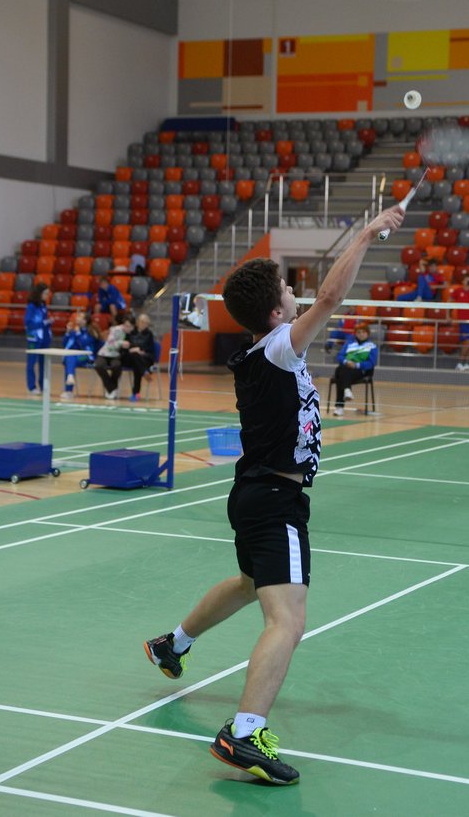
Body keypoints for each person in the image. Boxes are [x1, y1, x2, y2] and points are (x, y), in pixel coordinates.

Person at [143, 204, 404, 786]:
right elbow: (332, 297)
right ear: (276, 313)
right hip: (274, 500)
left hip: (254, 495)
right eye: (288, 289)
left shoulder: (264, 352)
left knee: (247, 583)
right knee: (287, 620)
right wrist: (367, 233)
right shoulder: (280, 347)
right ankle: (244, 732)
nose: (295, 294)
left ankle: (172, 645)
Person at [330, 321, 377, 416]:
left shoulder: (372, 346)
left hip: (361, 371)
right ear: (355, 334)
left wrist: (356, 365)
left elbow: (371, 363)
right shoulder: (349, 343)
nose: (361, 334)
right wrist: (346, 362)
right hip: (346, 367)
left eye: (363, 332)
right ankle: (347, 390)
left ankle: (339, 407)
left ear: (367, 333)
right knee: (341, 370)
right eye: (359, 332)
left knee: (340, 372)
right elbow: (340, 356)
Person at [93, 313, 134, 400]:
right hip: (104, 353)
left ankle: (111, 389)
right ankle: (111, 388)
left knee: (116, 366)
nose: (128, 328)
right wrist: (121, 343)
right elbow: (110, 344)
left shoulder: (132, 334)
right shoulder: (115, 330)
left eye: (130, 326)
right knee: (98, 365)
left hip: (116, 356)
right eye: (126, 326)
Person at [59, 310, 98, 400]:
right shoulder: (74, 331)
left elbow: (83, 344)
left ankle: (69, 390)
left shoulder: (91, 332)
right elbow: (65, 344)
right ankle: (70, 377)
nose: (77, 318)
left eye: (80, 317)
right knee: (70, 357)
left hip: (86, 357)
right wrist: (67, 332)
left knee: (69, 360)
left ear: (85, 321)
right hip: (73, 357)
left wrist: (78, 333)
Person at [24, 284, 53, 395]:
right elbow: (27, 322)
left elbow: (44, 321)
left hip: (44, 338)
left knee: (43, 362)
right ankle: (31, 386)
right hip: (34, 338)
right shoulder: (31, 306)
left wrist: (48, 322)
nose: (47, 295)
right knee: (31, 362)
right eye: (45, 293)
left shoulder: (43, 305)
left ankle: (43, 386)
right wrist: (43, 323)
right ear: (39, 293)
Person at [122, 312, 157, 402]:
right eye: (142, 322)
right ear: (137, 322)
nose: (144, 324)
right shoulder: (131, 332)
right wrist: (132, 349)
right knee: (135, 358)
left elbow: (150, 349)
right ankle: (144, 372)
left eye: (146, 322)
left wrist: (140, 351)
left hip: (144, 358)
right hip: (130, 357)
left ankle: (135, 393)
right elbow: (125, 345)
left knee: (137, 365)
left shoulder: (149, 334)